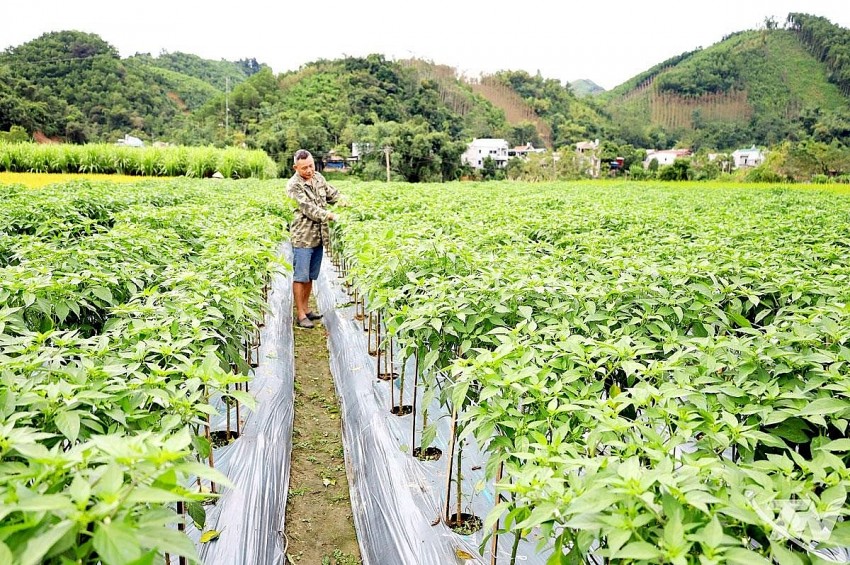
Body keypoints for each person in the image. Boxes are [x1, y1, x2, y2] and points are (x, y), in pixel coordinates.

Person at [286, 149, 343, 329]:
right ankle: (301, 314)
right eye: (304, 168)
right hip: (303, 237)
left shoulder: (318, 178)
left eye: (311, 166)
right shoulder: (293, 186)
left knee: (311, 275)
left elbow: (331, 193)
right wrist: (329, 215)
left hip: (319, 236)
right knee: (300, 276)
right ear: (295, 167)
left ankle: (307, 309)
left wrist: (342, 199)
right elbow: (308, 208)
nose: (309, 170)